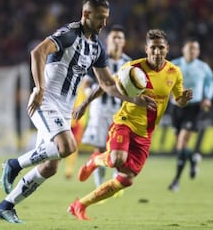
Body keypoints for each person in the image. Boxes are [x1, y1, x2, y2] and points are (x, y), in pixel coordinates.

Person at [0, 0, 156, 224]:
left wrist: (132, 99)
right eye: (100, 18)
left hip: (63, 109)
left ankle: (6, 205)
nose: (104, 23)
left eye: (107, 18)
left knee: (50, 167)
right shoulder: (69, 34)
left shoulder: (97, 47)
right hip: (45, 102)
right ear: (86, 14)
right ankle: (13, 164)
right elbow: (37, 53)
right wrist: (39, 88)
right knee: (68, 145)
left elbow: (107, 83)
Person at [68, 29, 193, 220]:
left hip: (145, 133)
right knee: (117, 159)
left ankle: (80, 205)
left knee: (126, 179)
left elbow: (178, 100)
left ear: (167, 49)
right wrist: (85, 103)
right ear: (146, 49)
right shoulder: (133, 69)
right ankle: (94, 161)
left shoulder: (174, 72)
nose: (157, 52)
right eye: (153, 48)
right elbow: (105, 84)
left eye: (161, 48)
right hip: (124, 122)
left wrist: (183, 99)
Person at [80, 24, 131, 191]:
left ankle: (115, 182)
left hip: (120, 112)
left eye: (120, 38)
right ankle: (99, 183)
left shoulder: (128, 64)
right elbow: (86, 81)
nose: (116, 41)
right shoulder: (99, 59)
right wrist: (89, 94)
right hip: (100, 110)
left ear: (124, 42)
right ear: (108, 40)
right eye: (113, 37)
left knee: (119, 147)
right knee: (101, 147)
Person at [168, 38, 213, 192]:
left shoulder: (203, 67)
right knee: (181, 146)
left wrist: (207, 97)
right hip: (176, 107)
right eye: (190, 48)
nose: (192, 51)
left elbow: (210, 83)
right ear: (183, 50)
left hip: (194, 108)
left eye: (195, 49)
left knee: (181, 143)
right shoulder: (175, 64)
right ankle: (193, 159)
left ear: (198, 51)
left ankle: (176, 181)